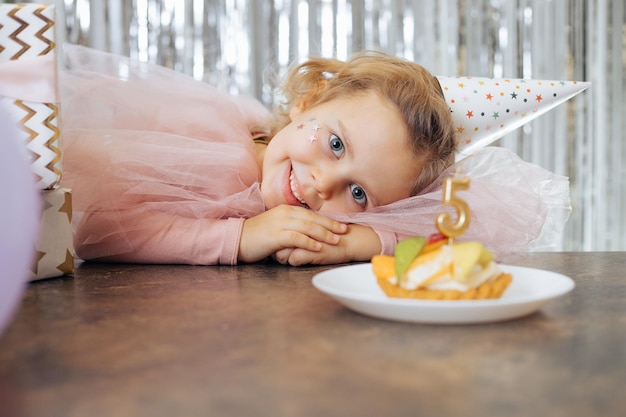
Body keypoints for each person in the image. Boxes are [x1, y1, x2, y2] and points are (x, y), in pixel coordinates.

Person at [60, 45, 569, 266]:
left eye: (358, 192)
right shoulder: (217, 152)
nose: (324, 184)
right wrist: (239, 237)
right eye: (335, 144)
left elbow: (458, 233)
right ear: (308, 103)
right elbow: (90, 233)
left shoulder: (330, 209)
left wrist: (364, 242)